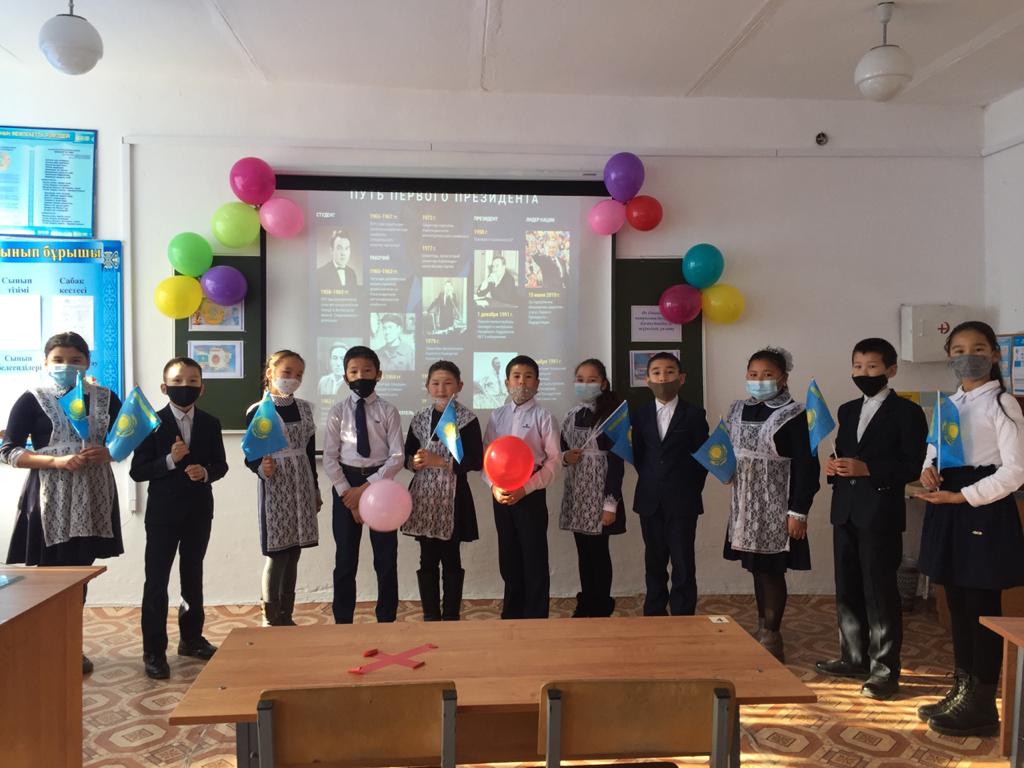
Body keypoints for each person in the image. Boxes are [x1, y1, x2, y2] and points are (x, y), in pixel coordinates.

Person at [915, 321, 1024, 737]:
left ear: (994, 355)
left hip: (981, 508)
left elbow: (1015, 472)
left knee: (981, 607)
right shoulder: (949, 403)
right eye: (958, 350)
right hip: (949, 504)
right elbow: (934, 450)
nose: (968, 357)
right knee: (957, 602)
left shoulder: (1003, 403)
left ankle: (983, 702)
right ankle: (962, 688)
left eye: (978, 349)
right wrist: (927, 470)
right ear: (949, 357)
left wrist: (963, 497)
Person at [1, 331, 124, 675]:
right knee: (48, 576)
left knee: (78, 575)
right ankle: (42, 646)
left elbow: (126, 439)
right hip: (48, 496)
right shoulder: (32, 399)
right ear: (46, 362)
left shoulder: (106, 398)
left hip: (93, 496)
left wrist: (110, 452)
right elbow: (8, 450)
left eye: (75, 360)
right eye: (58, 359)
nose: (66, 365)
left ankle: (71, 644)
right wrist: (55, 461)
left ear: (87, 363)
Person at [816, 338, 928, 700]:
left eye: (872, 367)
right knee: (847, 586)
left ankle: (884, 670)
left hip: (880, 513)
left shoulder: (907, 413)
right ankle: (853, 657)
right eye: (857, 366)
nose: (863, 373)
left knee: (879, 592)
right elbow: (844, 453)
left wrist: (869, 469)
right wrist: (833, 467)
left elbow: (912, 466)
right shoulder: (848, 410)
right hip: (845, 509)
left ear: (890, 370)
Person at [130, 357, 229, 679]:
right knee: (156, 582)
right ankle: (154, 652)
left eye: (192, 381)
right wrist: (170, 461)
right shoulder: (151, 423)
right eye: (177, 381)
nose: (184, 387)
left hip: (199, 512)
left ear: (202, 387)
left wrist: (206, 473)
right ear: (164, 387)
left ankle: (191, 639)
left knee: (192, 576)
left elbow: (221, 465)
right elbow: (137, 471)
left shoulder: (211, 422)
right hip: (163, 515)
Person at [722, 347, 819, 663]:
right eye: (753, 374)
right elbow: (725, 448)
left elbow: (807, 466)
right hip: (746, 504)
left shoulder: (796, 414)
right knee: (756, 568)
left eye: (767, 374)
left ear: (783, 378)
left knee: (772, 571)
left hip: (777, 504)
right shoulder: (739, 409)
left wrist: (798, 510)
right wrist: (723, 468)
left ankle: (773, 635)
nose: (759, 380)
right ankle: (762, 624)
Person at [322, 346, 404, 623]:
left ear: (378, 374)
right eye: (354, 371)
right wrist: (349, 495)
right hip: (346, 484)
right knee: (345, 559)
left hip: (380, 485)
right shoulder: (337, 411)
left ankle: (387, 619)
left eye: (367, 371)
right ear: (345, 376)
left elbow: (397, 457)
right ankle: (343, 619)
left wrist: (366, 490)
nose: (360, 376)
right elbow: (330, 457)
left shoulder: (389, 410)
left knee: (385, 558)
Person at [245, 350, 321, 627]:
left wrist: (315, 488)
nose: (293, 378)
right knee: (277, 553)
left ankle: (287, 615)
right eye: (287, 372)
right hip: (275, 486)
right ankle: (270, 616)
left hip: (301, 483)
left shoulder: (305, 409)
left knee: (294, 552)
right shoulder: (259, 410)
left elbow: (309, 452)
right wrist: (261, 468)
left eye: (298, 374)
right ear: (271, 373)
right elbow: (250, 455)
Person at [402, 361, 483, 621]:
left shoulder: (467, 420)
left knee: (451, 558)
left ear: (459, 386)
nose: (441, 388)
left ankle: (450, 616)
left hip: (454, 498)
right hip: (424, 498)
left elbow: (476, 460)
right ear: (427, 386)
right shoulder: (419, 419)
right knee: (426, 559)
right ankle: (430, 616)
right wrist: (414, 463)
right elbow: (407, 456)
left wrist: (442, 462)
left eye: (448, 383)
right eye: (435, 383)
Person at [632, 352, 709, 617]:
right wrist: (654, 480)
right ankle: (654, 612)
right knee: (654, 560)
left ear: (681, 378)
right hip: (649, 499)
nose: (663, 377)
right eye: (656, 372)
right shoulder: (639, 415)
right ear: (647, 379)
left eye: (669, 371)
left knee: (683, 561)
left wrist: (687, 489)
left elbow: (702, 458)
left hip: (683, 500)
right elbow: (639, 455)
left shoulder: (695, 414)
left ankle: (683, 614)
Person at [483, 355, 561, 619]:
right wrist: (494, 487)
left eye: (528, 377)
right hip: (501, 493)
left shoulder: (544, 417)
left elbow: (553, 462)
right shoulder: (497, 416)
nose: (522, 382)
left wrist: (525, 489)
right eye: (516, 377)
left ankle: (536, 615)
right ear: (507, 382)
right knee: (508, 555)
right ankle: (512, 614)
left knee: (534, 555)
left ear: (537, 383)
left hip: (530, 493)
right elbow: (487, 455)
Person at [559, 359, 626, 618]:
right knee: (583, 552)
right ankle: (586, 601)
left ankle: (601, 604)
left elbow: (617, 462)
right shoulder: (571, 415)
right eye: (580, 380)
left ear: (603, 383)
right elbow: (562, 450)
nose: (585, 384)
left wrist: (610, 504)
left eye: (592, 380)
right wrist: (566, 457)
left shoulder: (612, 416)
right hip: (577, 492)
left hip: (600, 493)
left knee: (598, 553)